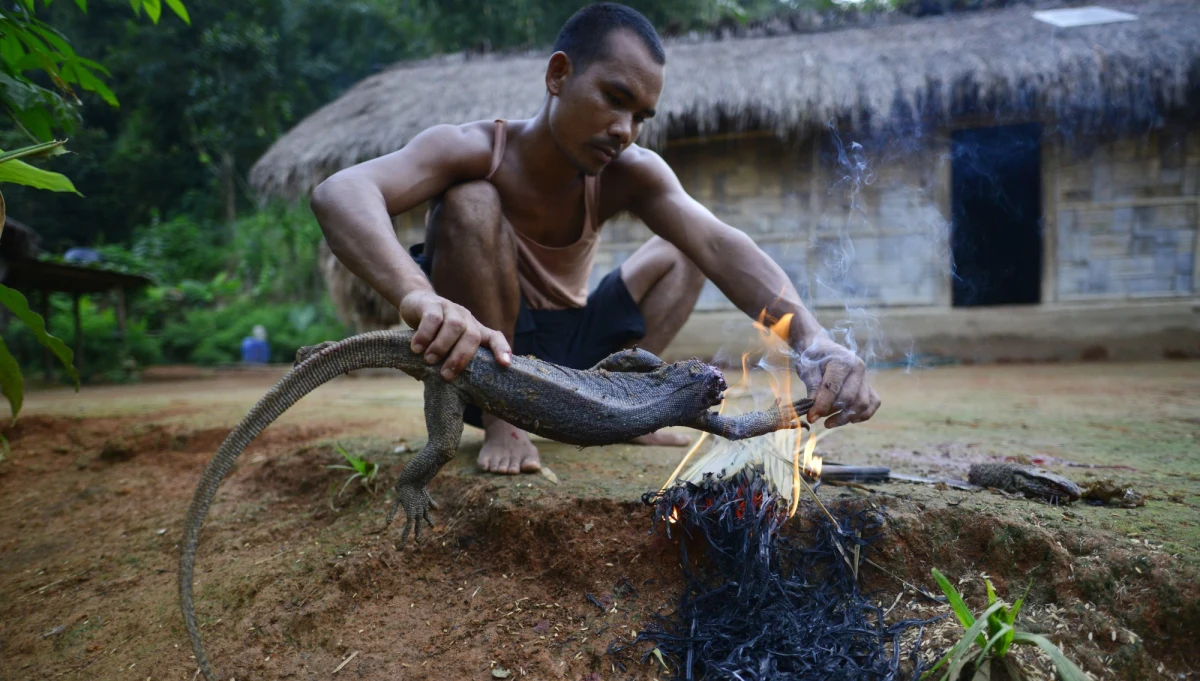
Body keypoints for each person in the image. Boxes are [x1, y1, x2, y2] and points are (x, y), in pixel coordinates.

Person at [310, 2, 880, 476]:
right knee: (470, 198)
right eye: (614, 97)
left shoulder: (632, 171)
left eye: (641, 116)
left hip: (582, 360)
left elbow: (720, 244)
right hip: (486, 360)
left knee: (685, 245)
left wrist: (815, 341)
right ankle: (504, 425)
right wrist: (420, 296)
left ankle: (632, 412)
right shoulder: (473, 148)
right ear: (559, 75)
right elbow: (341, 192)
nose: (624, 131)